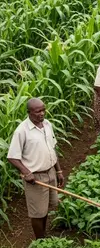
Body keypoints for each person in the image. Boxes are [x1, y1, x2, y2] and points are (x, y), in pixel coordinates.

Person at [7, 98, 64, 239]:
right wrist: (26, 172)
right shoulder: (22, 131)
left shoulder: (47, 124)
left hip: (50, 172)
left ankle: (43, 236)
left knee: (45, 209)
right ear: (29, 112)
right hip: (36, 177)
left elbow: (52, 148)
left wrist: (59, 171)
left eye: (43, 110)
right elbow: (12, 156)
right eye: (38, 111)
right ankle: (40, 241)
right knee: (37, 212)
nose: (42, 113)